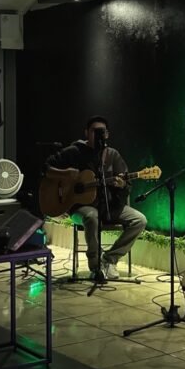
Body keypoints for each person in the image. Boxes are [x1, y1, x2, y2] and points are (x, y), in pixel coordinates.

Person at [45, 116, 147, 282]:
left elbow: (126, 183)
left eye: (102, 132)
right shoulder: (74, 152)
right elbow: (46, 167)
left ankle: (109, 260)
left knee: (139, 220)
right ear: (87, 132)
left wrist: (122, 185)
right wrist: (65, 173)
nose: (98, 135)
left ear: (107, 134)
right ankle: (96, 267)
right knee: (92, 216)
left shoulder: (112, 155)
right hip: (79, 207)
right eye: (94, 131)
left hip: (109, 206)